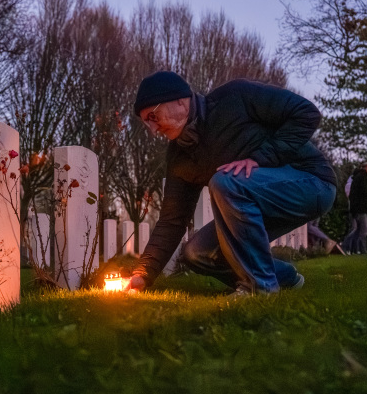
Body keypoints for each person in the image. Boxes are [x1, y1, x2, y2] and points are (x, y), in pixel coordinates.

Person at [124, 71, 337, 297]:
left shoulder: (235, 97)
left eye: (153, 117)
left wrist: (260, 158)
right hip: (256, 204)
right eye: (147, 123)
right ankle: (285, 278)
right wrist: (144, 273)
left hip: (311, 182)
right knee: (198, 253)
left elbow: (306, 113)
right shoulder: (180, 158)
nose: (153, 130)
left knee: (226, 182)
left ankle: (260, 288)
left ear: (179, 99)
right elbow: (171, 220)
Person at [341, 162, 367, 255]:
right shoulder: (362, 178)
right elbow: (364, 191)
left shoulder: (356, 177)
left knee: (356, 229)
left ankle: (354, 249)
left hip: (355, 207)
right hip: (360, 207)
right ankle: (350, 246)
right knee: (363, 229)